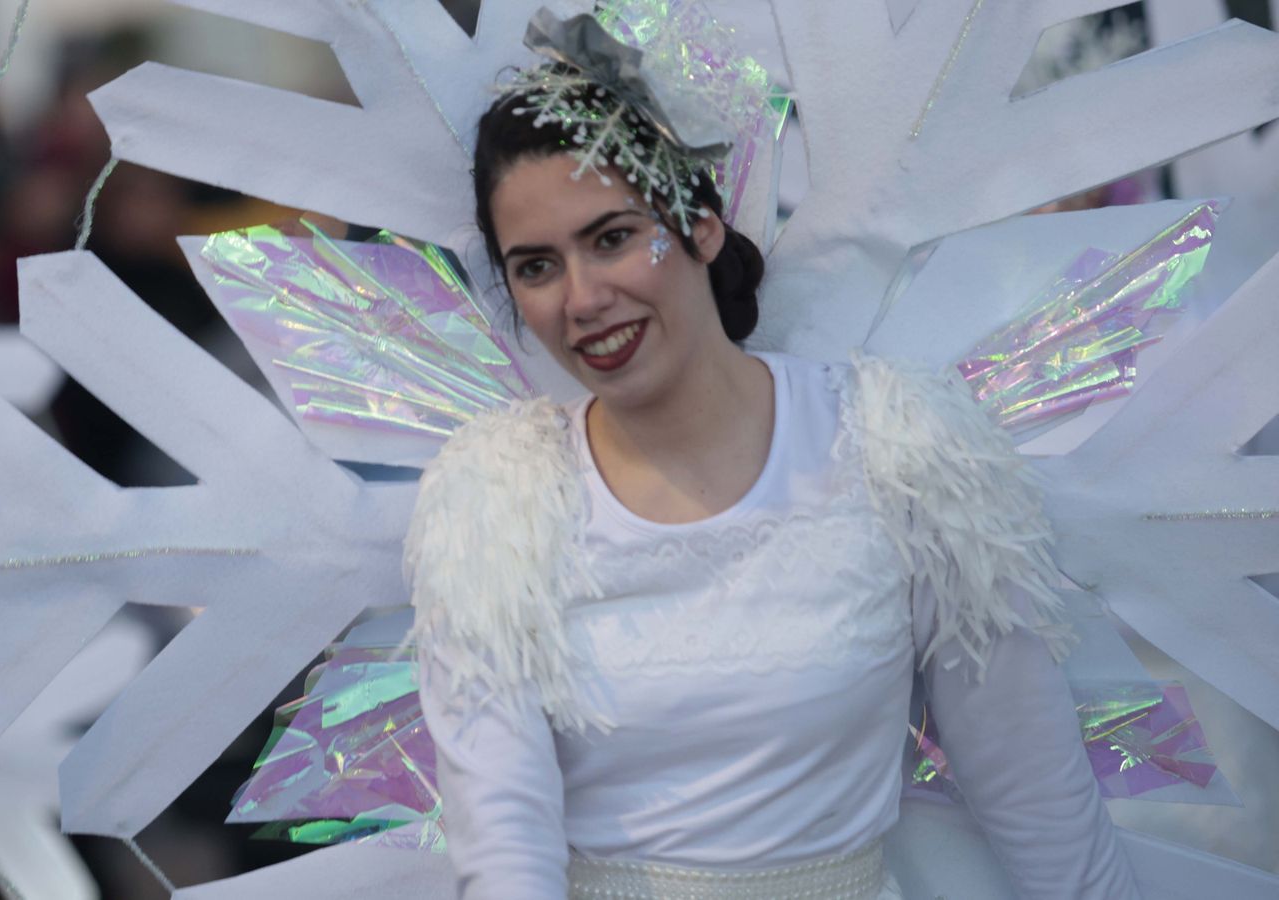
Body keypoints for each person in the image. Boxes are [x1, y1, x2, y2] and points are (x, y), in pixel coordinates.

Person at [403, 12, 1142, 900]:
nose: (584, 298)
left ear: (700, 224)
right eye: (535, 266)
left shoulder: (902, 450)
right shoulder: (494, 505)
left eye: (610, 238)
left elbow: (1038, 799)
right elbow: (503, 847)